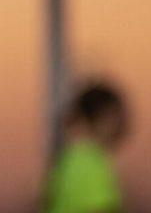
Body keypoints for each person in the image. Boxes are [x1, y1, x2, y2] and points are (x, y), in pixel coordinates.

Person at [44, 80, 131, 213]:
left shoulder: (69, 160)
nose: (123, 125)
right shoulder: (88, 163)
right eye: (117, 116)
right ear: (103, 118)